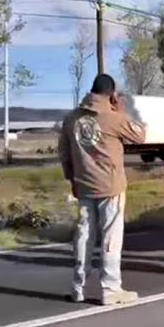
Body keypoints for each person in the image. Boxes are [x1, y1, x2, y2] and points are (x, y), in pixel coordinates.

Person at [58, 73, 147, 305]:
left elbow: (64, 154)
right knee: (111, 237)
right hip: (110, 185)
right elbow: (140, 135)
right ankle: (110, 288)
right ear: (111, 94)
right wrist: (122, 110)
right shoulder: (113, 117)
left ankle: (78, 286)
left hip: (84, 184)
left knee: (84, 235)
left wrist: (72, 179)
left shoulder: (71, 119)